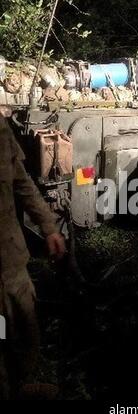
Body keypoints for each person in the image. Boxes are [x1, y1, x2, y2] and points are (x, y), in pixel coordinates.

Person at [0, 105, 66, 399]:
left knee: (25, 332)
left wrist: (49, 226)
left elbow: (21, 181)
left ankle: (17, 385)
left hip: (10, 259)